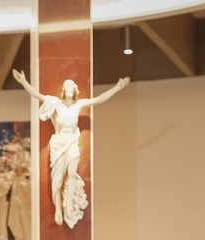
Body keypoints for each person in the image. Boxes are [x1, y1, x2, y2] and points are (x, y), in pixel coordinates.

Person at [12, 70, 129, 229]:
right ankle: (58, 209)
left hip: (72, 142)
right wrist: (23, 82)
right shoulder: (55, 103)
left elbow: (98, 100)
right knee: (58, 179)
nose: (68, 91)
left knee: (72, 173)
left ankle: (68, 205)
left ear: (74, 91)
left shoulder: (78, 105)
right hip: (59, 143)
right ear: (63, 91)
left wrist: (118, 87)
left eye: (71, 88)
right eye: (66, 89)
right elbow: (37, 95)